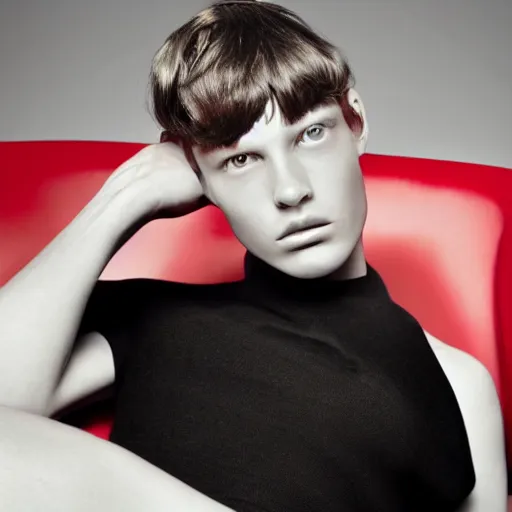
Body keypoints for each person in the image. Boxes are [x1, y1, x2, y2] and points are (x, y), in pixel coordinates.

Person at [0, 1, 507, 510]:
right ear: (198, 174)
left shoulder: (457, 380)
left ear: (355, 121)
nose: (290, 190)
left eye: (311, 133)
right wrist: (123, 200)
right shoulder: (152, 320)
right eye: (241, 159)